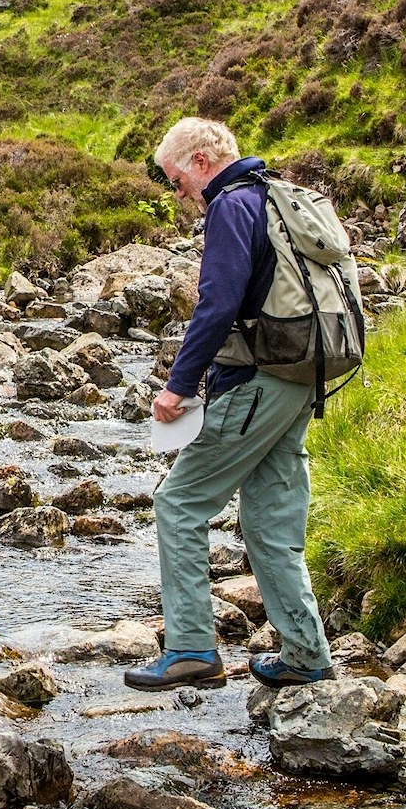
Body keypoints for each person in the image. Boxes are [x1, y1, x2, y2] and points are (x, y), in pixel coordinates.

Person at [125, 117, 335, 691]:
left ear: (199, 161)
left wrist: (179, 385)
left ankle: (192, 646)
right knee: (268, 520)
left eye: (175, 180)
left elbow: (217, 305)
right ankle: (305, 653)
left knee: (179, 503)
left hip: (258, 379)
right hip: (301, 376)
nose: (179, 193)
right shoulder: (274, 197)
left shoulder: (230, 205)